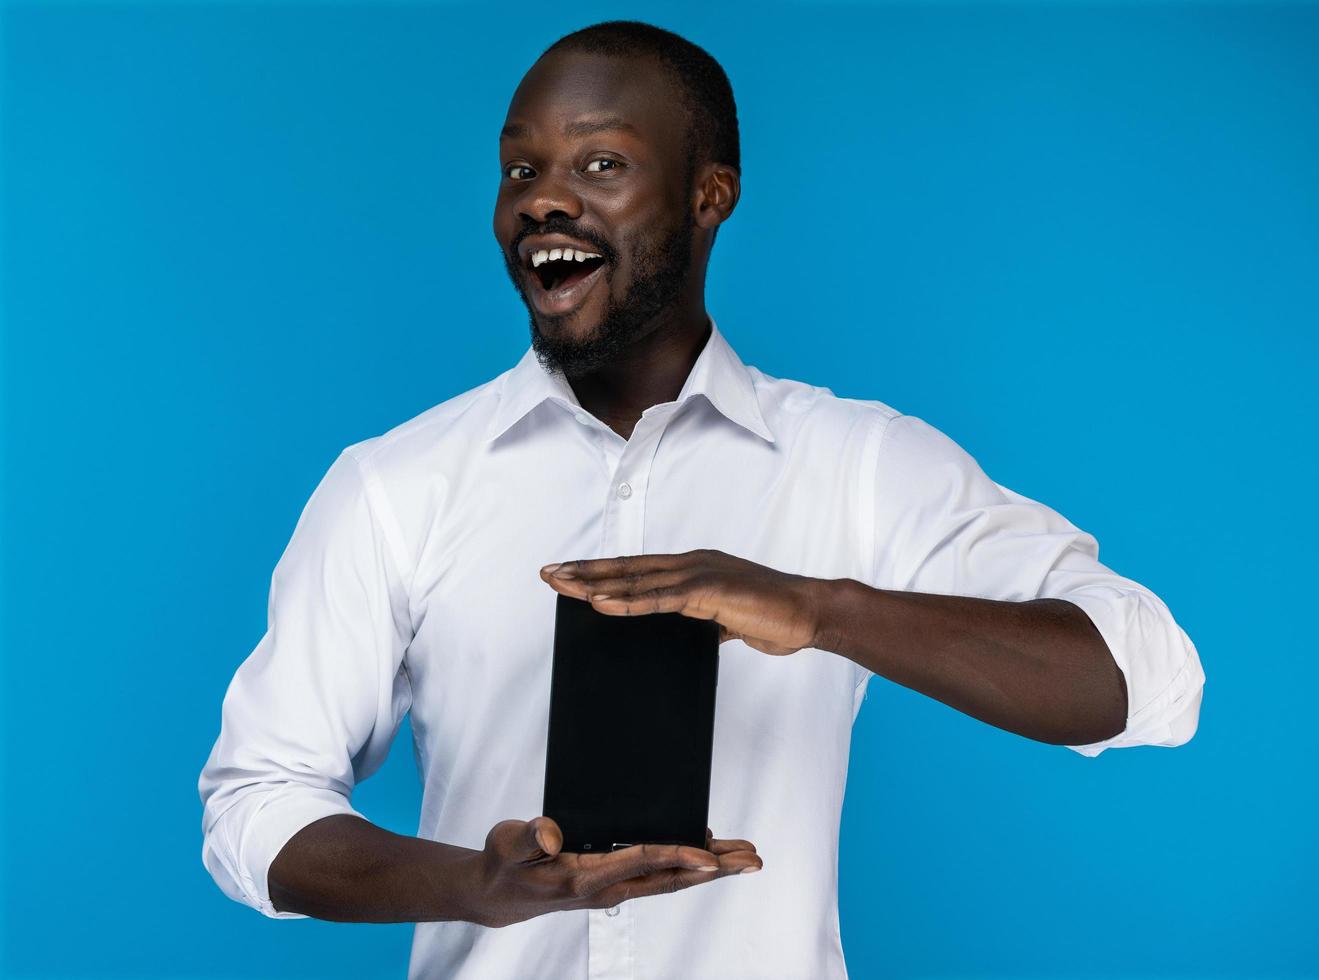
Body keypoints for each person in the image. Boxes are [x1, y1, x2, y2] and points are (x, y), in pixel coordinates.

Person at [198, 19, 1206, 980]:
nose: (544, 201)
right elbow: (256, 803)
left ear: (708, 194)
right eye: (520, 169)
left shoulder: (851, 463)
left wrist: (825, 609)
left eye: (601, 164)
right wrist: (473, 882)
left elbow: (1149, 674)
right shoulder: (395, 486)